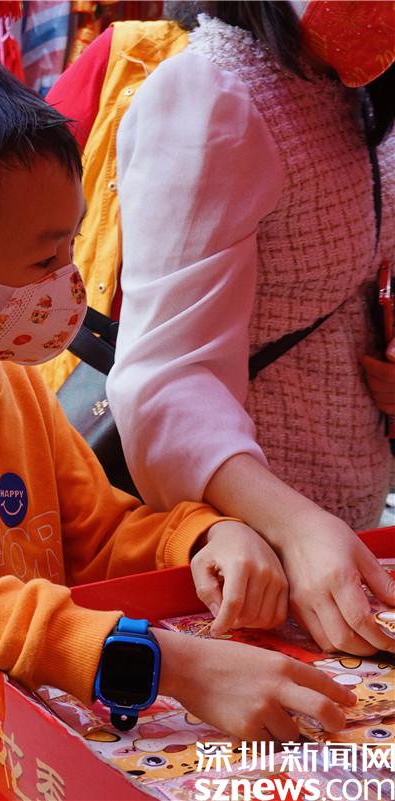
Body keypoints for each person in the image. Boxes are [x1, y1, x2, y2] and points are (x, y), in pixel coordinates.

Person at [0, 40, 358, 801]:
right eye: (43, 261)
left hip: (19, 763)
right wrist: (164, 661)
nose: (69, 280)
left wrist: (203, 537)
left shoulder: (14, 381)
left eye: (73, 243)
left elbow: (97, 535)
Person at [45, 0, 395, 657]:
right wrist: (293, 525)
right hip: (248, 552)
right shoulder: (214, 99)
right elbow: (166, 380)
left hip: (348, 525)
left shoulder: (356, 86)